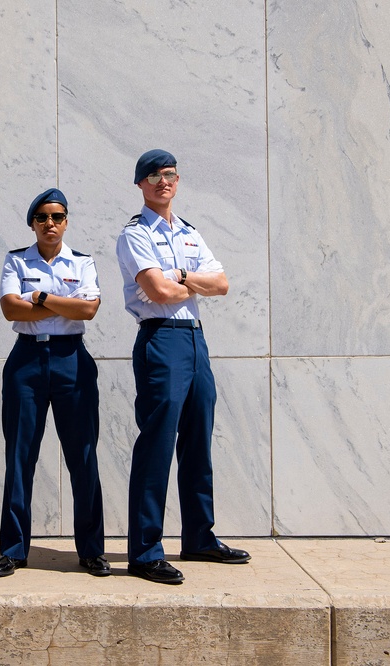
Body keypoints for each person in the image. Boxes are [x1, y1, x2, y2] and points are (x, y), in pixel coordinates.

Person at [115, 149, 251, 585]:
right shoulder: (134, 234)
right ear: (140, 184)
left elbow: (223, 284)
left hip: (195, 339)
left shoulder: (190, 232)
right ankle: (144, 551)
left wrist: (181, 276)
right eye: (153, 176)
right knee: (157, 444)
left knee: (198, 442)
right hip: (162, 339)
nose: (162, 181)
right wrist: (188, 281)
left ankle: (199, 536)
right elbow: (157, 291)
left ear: (177, 180)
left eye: (169, 174)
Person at [0, 187, 109, 578]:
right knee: (20, 457)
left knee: (83, 456)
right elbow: (10, 308)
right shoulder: (16, 259)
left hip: (72, 359)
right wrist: (60, 301)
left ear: (66, 221)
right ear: (33, 223)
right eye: (42, 217)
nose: (50, 224)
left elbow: (88, 309)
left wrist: (38, 296)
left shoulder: (83, 261)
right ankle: (13, 550)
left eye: (57, 217)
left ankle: (91, 550)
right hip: (26, 359)